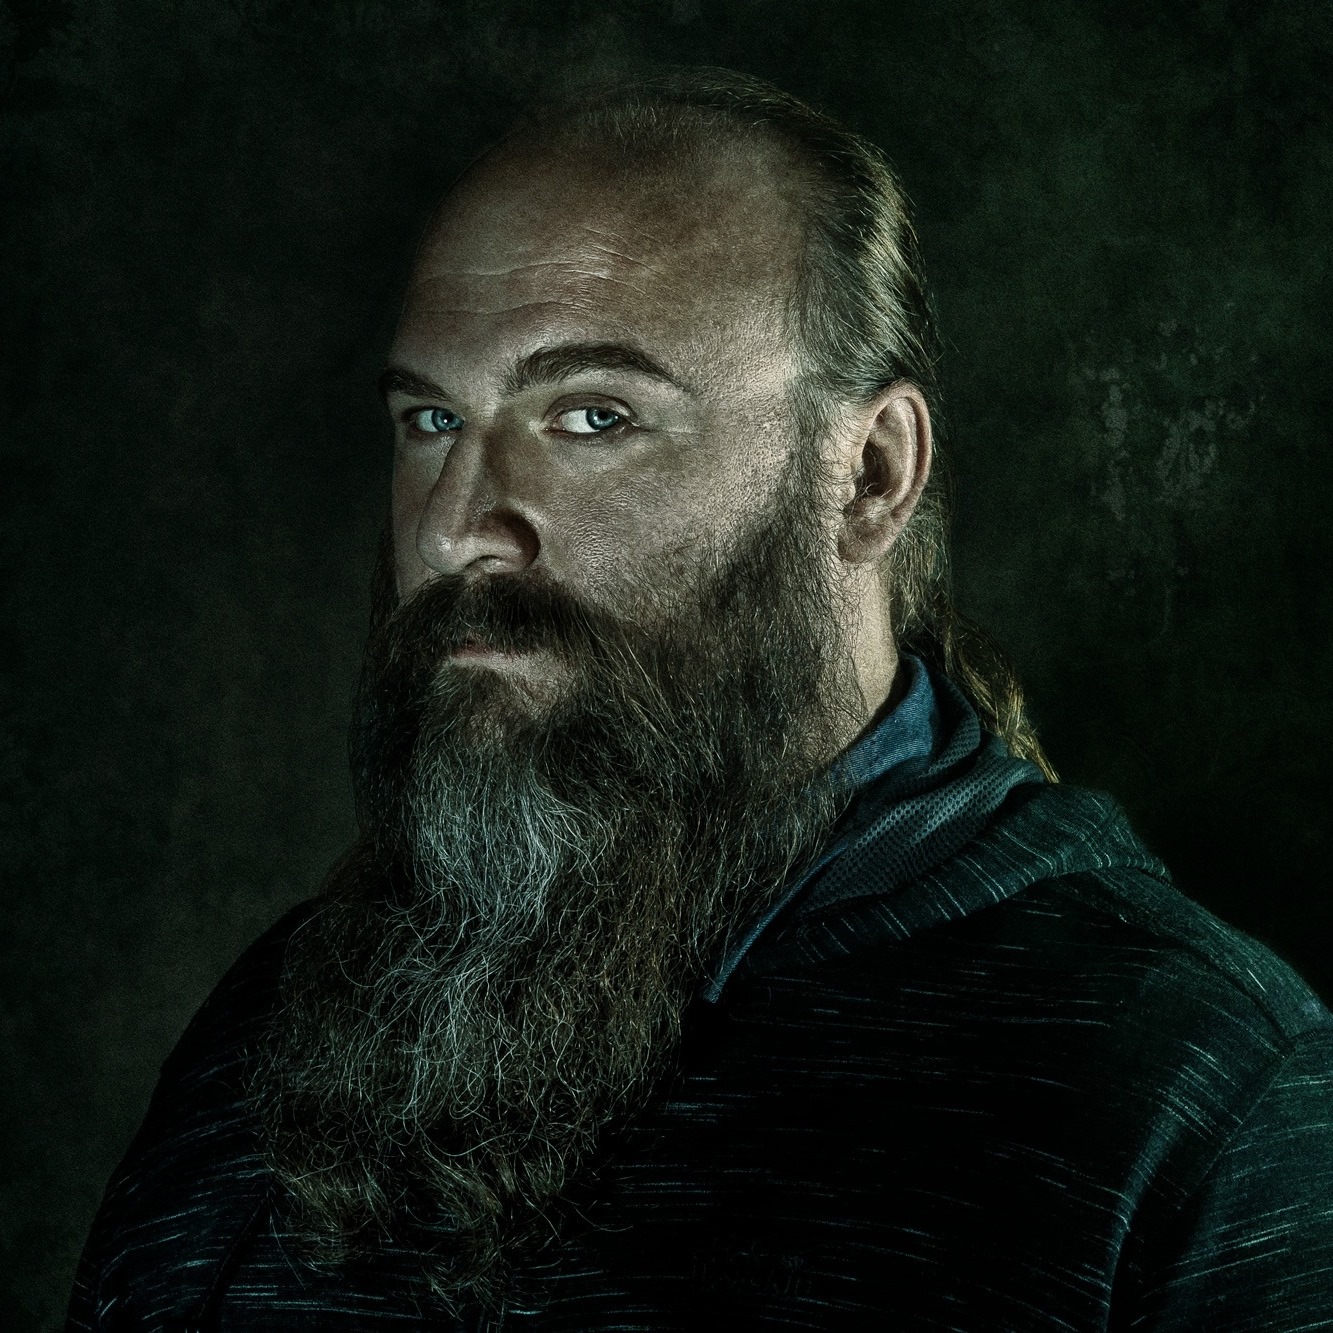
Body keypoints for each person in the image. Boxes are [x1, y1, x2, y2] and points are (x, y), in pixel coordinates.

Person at [68, 68, 1333, 1331]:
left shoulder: (1199, 1093)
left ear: (869, 475)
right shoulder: (286, 1030)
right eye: (434, 419)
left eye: (593, 415)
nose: (457, 530)